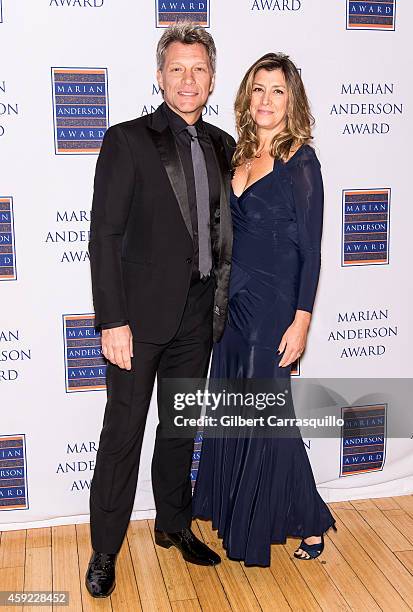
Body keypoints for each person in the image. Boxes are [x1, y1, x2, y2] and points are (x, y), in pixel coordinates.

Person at [85, 23, 235, 597]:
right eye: (177, 68)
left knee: (179, 429)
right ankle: (104, 549)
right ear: (160, 75)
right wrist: (111, 320)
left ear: (212, 77)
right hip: (137, 322)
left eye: (198, 68)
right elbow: (104, 236)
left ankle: (173, 524)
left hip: (198, 315)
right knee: (121, 434)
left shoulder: (224, 145)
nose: (188, 79)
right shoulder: (127, 140)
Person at [192, 53, 337, 567]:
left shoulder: (301, 161)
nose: (267, 100)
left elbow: (313, 252)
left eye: (278, 90)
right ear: (246, 96)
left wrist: (302, 320)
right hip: (231, 304)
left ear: (291, 99)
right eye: (258, 89)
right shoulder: (237, 154)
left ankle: (308, 519)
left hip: (275, 306)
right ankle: (256, 510)